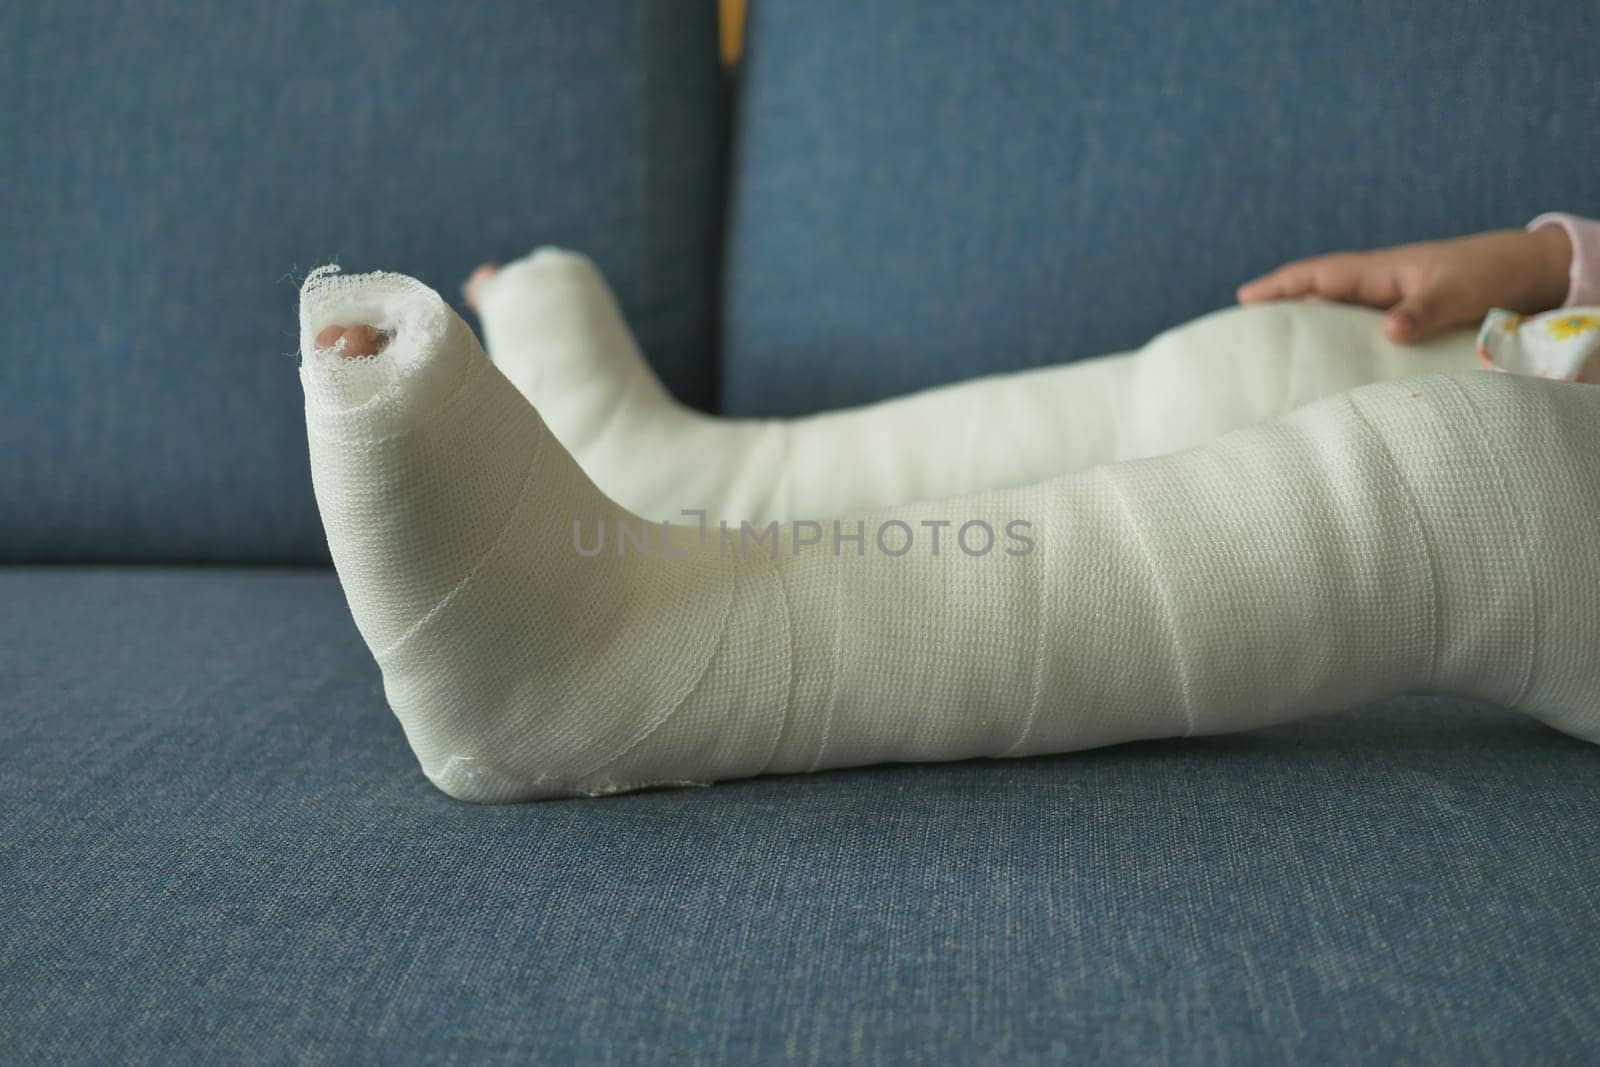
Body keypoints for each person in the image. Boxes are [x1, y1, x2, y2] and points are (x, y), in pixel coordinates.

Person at [299, 214, 1600, 801]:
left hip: (1544, 464)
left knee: (1477, 488)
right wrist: (1549, 259)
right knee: (1246, 373)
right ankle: (681, 482)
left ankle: (609, 666)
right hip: (1520, 345)